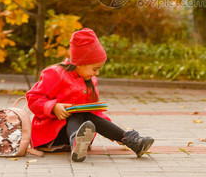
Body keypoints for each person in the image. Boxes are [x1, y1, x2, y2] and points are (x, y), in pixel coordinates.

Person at [26, 28, 154, 162]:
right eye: (95, 69)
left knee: (83, 111)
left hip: (71, 135)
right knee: (76, 112)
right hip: (50, 135)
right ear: (80, 63)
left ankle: (129, 140)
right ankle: (78, 142)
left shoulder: (89, 81)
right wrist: (53, 107)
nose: (97, 73)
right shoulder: (56, 74)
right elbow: (33, 98)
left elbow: (94, 114)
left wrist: (114, 134)